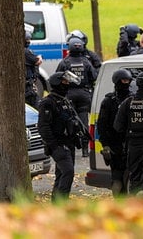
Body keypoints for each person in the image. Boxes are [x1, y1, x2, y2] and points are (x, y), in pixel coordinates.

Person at [38, 71, 85, 201]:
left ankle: (56, 203)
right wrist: (54, 145)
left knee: (61, 174)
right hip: (58, 144)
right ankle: (62, 202)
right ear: (57, 83)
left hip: (69, 143)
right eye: (64, 82)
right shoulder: (48, 102)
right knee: (68, 172)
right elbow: (43, 127)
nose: (67, 84)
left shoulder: (64, 100)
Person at [56, 36, 98, 157]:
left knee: (69, 119)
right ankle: (85, 149)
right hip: (84, 95)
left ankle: (70, 145)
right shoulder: (86, 62)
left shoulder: (65, 62)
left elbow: (57, 76)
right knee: (83, 120)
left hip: (69, 94)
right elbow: (94, 77)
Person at [97, 69, 133, 197]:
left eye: (128, 81)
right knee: (117, 179)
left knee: (132, 177)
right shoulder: (109, 101)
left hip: (131, 143)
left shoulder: (133, 99)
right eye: (124, 80)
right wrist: (105, 145)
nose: (126, 83)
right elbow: (101, 124)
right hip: (114, 145)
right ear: (117, 81)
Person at [25, 31, 43, 108]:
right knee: (39, 107)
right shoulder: (26, 52)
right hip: (27, 89)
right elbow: (38, 61)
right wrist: (39, 57)